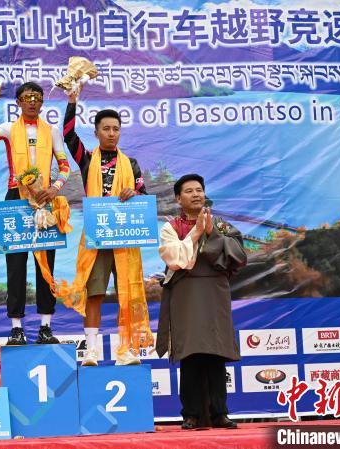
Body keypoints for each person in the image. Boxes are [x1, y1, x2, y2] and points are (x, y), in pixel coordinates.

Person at [61, 86, 153, 366]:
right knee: (95, 294)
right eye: (106, 129)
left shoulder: (131, 164)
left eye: (116, 129)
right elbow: (68, 135)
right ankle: (91, 351)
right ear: (96, 132)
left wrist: (133, 193)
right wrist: (72, 101)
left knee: (128, 291)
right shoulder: (87, 159)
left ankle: (126, 350)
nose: (112, 133)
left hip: (125, 236)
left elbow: (144, 197)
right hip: (96, 236)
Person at [0, 82, 70, 345]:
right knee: (15, 266)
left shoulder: (52, 131)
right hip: (15, 198)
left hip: (45, 199)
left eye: (37, 98)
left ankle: (45, 326)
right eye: (27, 98)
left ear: (42, 102)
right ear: (18, 102)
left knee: (46, 266)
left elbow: (64, 166)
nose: (32, 102)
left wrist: (54, 188)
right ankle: (16, 327)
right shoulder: (8, 128)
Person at [156, 174, 247, 429]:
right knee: (191, 352)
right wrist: (197, 233)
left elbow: (239, 255)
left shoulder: (220, 225)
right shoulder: (171, 227)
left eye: (199, 190)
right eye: (189, 191)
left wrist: (211, 233)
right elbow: (175, 259)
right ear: (178, 199)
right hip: (185, 292)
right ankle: (191, 414)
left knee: (216, 352)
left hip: (215, 291)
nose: (196, 194)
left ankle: (220, 413)